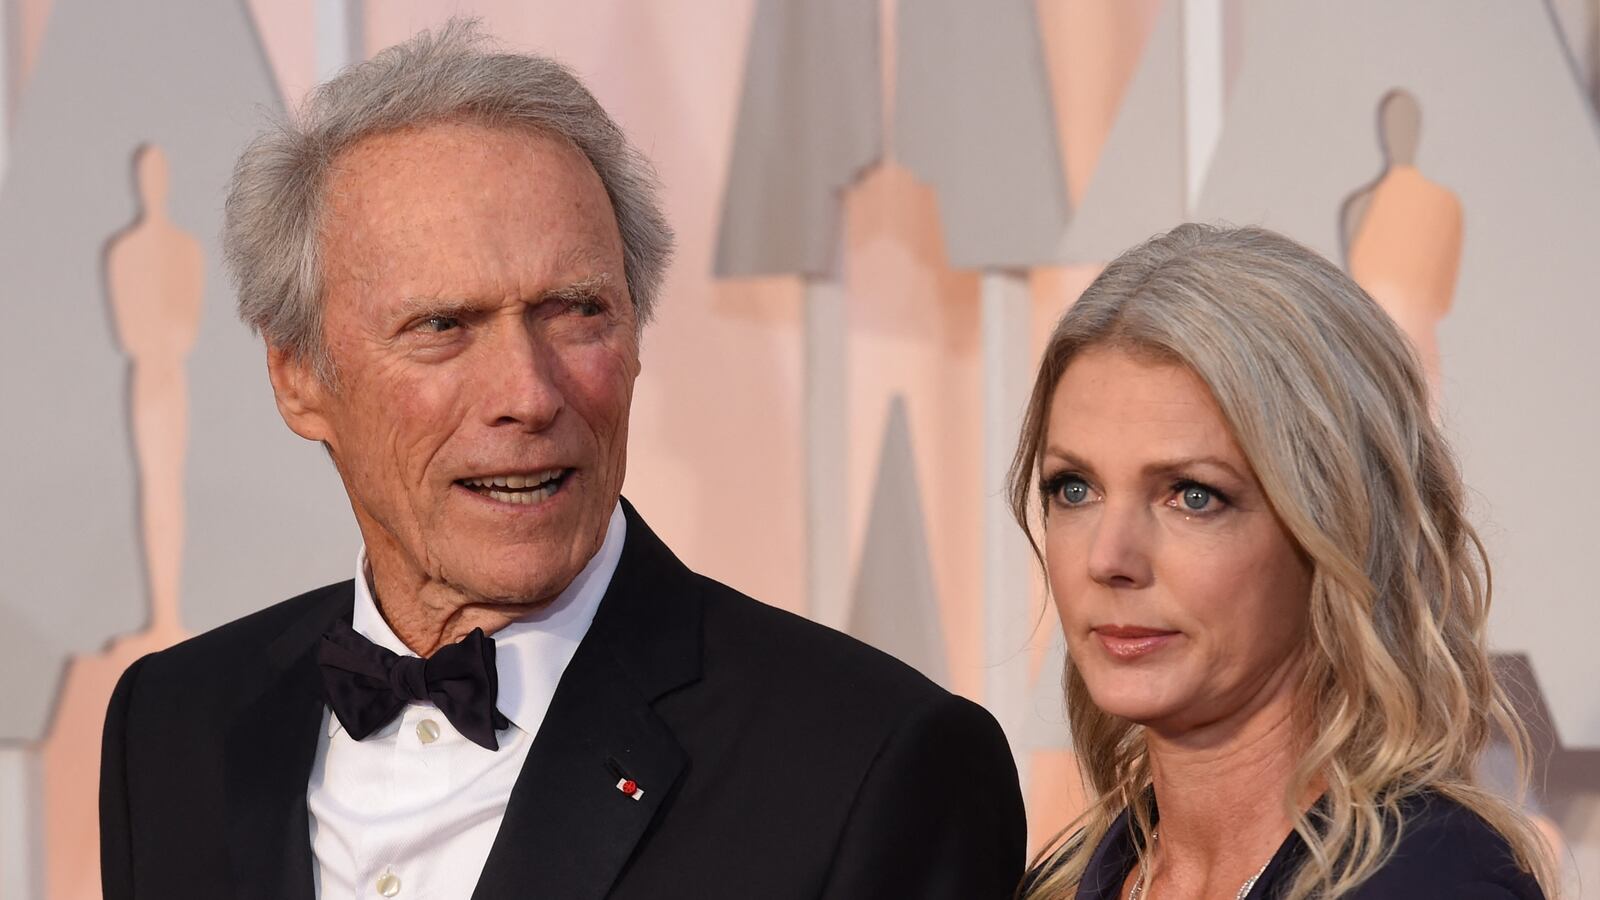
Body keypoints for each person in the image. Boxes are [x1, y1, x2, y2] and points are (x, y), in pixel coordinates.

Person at [98, 21, 1024, 900]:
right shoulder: (172, 726)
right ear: (297, 374)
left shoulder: (864, 760)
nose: (531, 395)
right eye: (443, 326)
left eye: (575, 312)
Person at [1010, 224, 1553, 899]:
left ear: (1336, 522)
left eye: (1193, 495)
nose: (1109, 558)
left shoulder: (1434, 881)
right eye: (1075, 489)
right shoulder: (1059, 884)